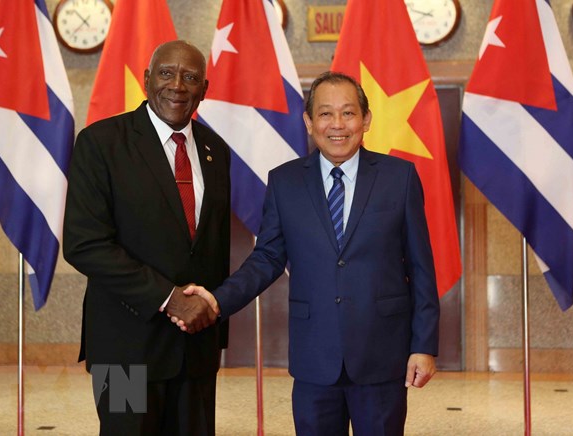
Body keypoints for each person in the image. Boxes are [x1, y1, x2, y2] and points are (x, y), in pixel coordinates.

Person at [178, 71, 440, 435]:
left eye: (348, 113)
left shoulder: (399, 177)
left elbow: (421, 267)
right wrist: (217, 301)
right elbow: (267, 258)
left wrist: (424, 346)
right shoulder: (285, 182)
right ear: (308, 122)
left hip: (382, 355)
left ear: (366, 120)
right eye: (325, 113)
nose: (337, 124)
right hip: (314, 357)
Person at [63, 40, 230, 435]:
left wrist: (211, 315)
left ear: (204, 89)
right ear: (146, 79)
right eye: (166, 73)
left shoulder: (215, 150)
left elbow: (213, 248)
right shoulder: (101, 142)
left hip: (195, 349)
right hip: (123, 351)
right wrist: (169, 298)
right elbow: (85, 244)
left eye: (190, 77)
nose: (178, 85)